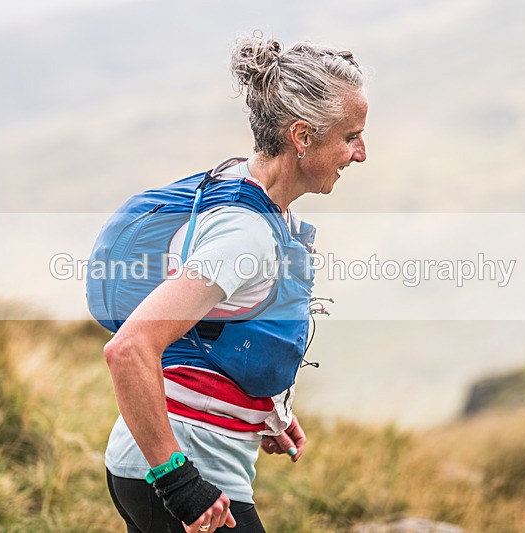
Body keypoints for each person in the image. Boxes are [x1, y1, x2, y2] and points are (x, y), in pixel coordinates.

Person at [99, 33, 367, 532]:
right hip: (180, 467)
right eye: (350, 136)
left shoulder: (243, 191)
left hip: (150, 462)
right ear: (302, 136)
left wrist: (264, 410)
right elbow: (129, 349)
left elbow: (219, 326)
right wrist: (179, 482)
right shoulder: (247, 235)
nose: (361, 153)